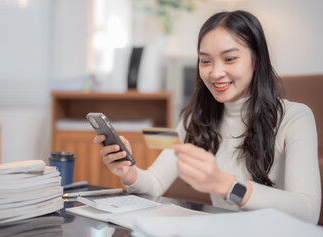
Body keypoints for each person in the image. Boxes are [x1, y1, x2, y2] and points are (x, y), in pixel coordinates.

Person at [94, 10, 321, 224]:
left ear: (257, 59)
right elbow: (154, 183)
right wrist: (128, 173)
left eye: (230, 59)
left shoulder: (296, 118)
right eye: (205, 61)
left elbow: (308, 211)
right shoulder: (196, 118)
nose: (215, 72)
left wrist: (226, 184)